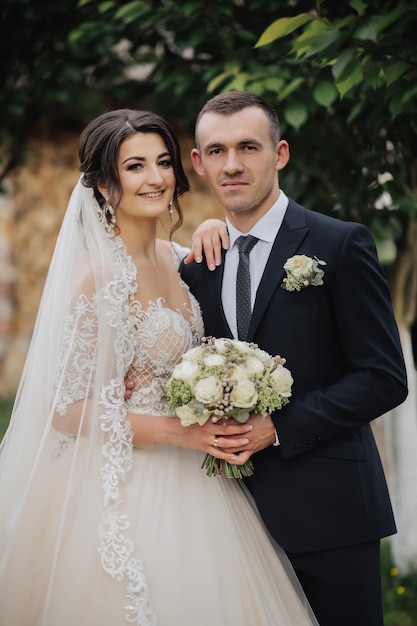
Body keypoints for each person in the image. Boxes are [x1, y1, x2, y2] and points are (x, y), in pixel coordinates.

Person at [0, 108, 319, 625]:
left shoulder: (180, 259)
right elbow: (67, 410)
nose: (155, 178)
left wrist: (216, 224)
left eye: (164, 162)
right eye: (135, 166)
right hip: (134, 480)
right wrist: (178, 432)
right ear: (104, 185)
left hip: (204, 478)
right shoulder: (101, 277)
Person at [180, 91, 408, 626]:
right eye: (216, 151)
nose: (231, 165)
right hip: (225, 515)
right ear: (198, 162)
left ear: (279, 154)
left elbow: (384, 378)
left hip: (331, 512)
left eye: (248, 147)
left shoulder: (340, 243)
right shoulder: (195, 266)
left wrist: (277, 427)